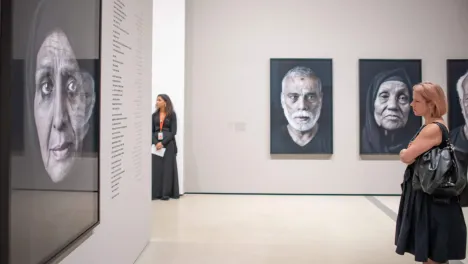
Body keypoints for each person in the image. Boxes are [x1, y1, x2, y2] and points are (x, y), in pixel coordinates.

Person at [395, 82, 467, 264]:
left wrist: (405, 152)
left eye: (417, 101)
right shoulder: (436, 125)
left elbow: (407, 156)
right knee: (433, 251)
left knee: (432, 252)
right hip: (431, 195)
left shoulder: (432, 128)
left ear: (431, 104)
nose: (412, 104)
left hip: (429, 198)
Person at [271, 66, 331, 154]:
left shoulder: (332, 139)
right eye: (293, 97)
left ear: (320, 99)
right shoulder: (272, 140)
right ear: (282, 100)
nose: (302, 106)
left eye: (310, 97)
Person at [361, 68, 420, 154]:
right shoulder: (355, 143)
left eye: (402, 98)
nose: (393, 106)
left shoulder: (420, 148)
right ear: (372, 104)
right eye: (384, 96)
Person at [151, 94, 180, 200]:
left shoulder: (172, 115)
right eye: (157, 100)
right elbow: (151, 131)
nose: (157, 102)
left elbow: (173, 132)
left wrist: (162, 143)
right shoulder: (154, 116)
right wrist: (155, 143)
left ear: (165, 102)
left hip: (168, 145)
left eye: (159, 100)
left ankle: (166, 193)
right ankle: (156, 193)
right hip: (156, 146)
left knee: (168, 169)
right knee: (156, 168)